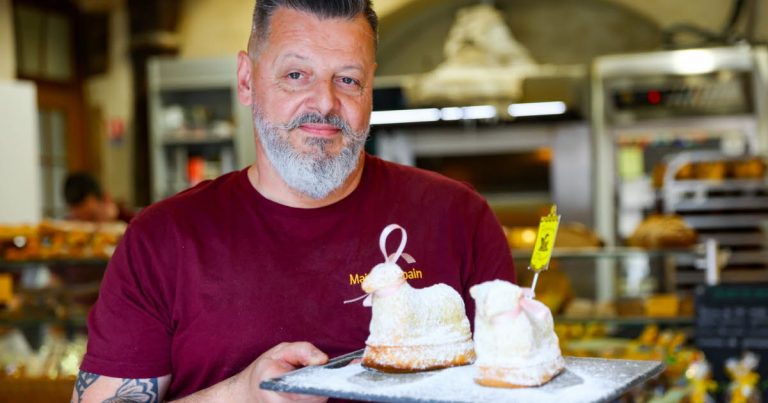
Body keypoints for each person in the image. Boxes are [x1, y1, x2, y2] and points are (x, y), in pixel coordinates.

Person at [72, 1, 515, 402]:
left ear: (370, 87)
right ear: (247, 80)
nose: (324, 103)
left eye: (347, 78)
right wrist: (241, 394)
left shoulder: (459, 217)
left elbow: (513, 388)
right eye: (296, 75)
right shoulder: (162, 238)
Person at [64, 172, 134, 223]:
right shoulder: (70, 223)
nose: (77, 213)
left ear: (105, 198)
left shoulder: (129, 220)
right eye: (73, 207)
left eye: (81, 204)